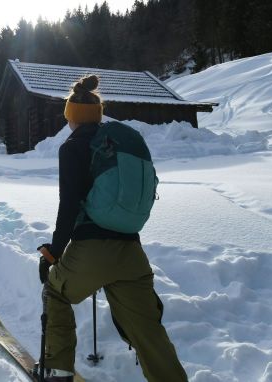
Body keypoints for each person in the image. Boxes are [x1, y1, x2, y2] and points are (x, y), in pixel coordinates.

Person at [36, 75, 188, 381]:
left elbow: (69, 205)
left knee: (56, 291)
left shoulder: (73, 147)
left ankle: (58, 372)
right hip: (131, 251)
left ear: (71, 116)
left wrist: (53, 251)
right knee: (148, 330)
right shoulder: (114, 144)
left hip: (91, 250)